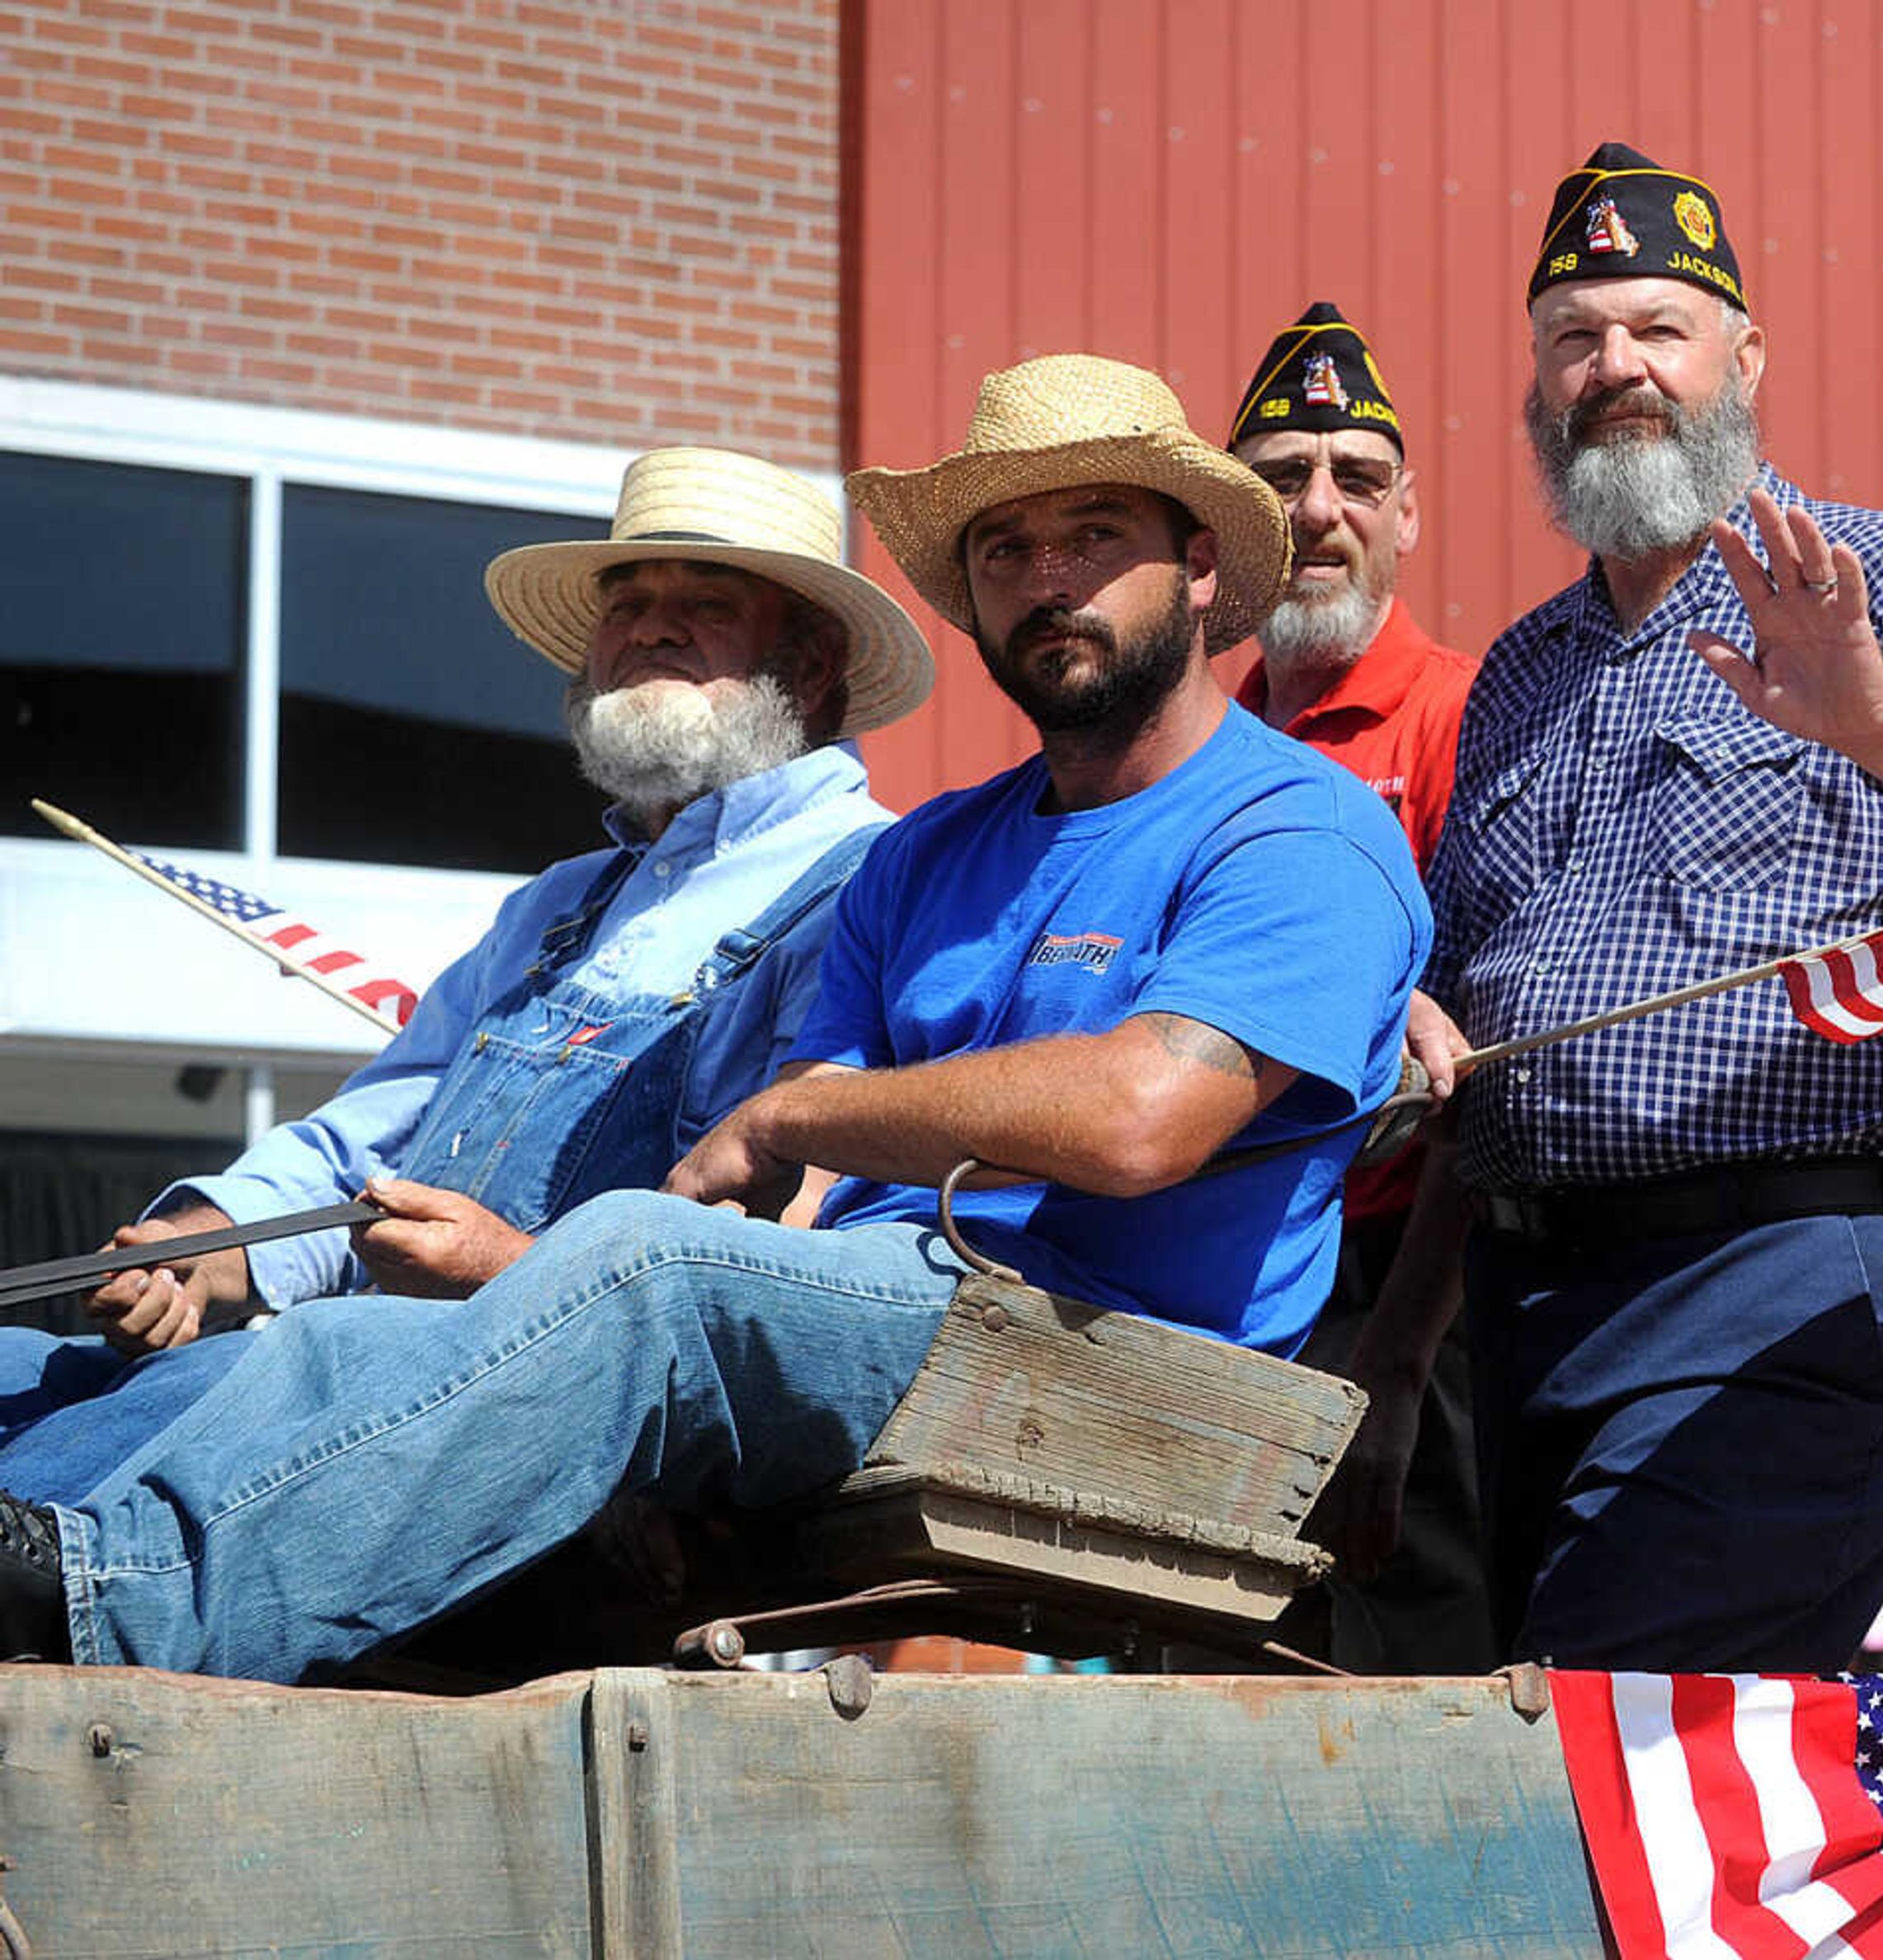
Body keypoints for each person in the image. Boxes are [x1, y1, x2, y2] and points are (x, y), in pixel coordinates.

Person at [0, 356, 1429, 1681]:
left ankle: (105, 1600)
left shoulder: (1300, 830)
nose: (1046, 579)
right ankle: (43, 1533)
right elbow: (800, 1210)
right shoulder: (928, 855)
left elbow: (1138, 1119)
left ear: (1194, 566)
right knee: (351, 1341)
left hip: (1126, 1374)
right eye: (1007, 549)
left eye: (1094, 537)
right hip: (904, 1322)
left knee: (640, 1259)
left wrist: (781, 1114)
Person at [1340, 142, 1883, 1673]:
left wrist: (1873, 720)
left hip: (1789, 1301)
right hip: (1526, 1327)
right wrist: (1398, 1360)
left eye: (1659, 326)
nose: (1617, 368)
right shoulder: (1518, 674)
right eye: (1576, 338)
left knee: (1583, 1750)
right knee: (1630, 1820)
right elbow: (1479, 1067)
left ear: (1746, 353)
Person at [0, 446, 935, 1492]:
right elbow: (364, 1142)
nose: (649, 628)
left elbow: (768, 1275)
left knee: (121, 1457)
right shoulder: (555, 904)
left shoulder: (873, 883)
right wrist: (210, 1242)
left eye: (706, 604)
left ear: (807, 667)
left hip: (558, 1444)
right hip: (368, 1392)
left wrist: (505, 1275)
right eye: (625, 601)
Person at [1219, 302, 1493, 1673]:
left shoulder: (1467, 712)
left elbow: (1493, 1077)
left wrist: (1395, 1358)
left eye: (1357, 481)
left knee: (1392, 1689)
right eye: (1279, 480)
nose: (1320, 510)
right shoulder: (1184, 729)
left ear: (1408, 520)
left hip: (1395, 1294)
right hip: (1202, 1278)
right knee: (1206, 1665)